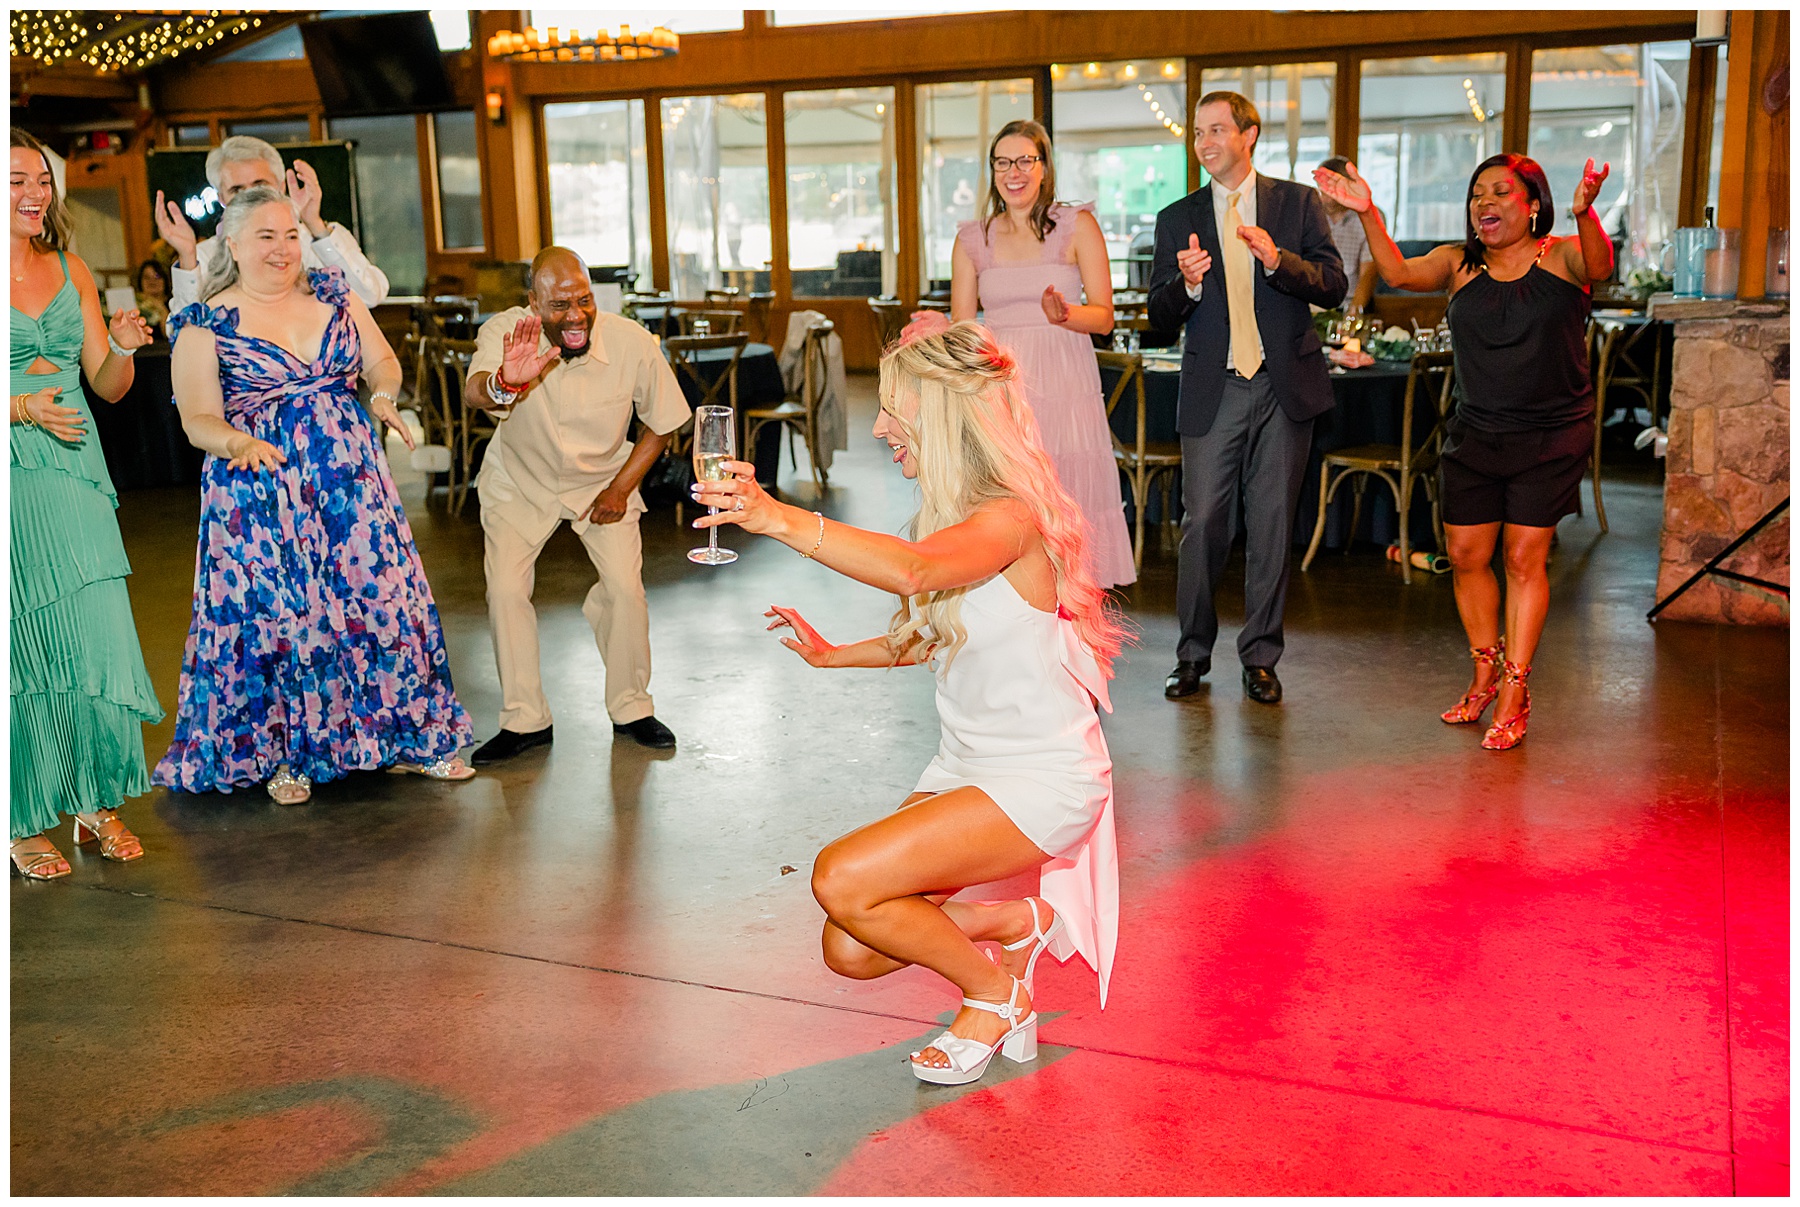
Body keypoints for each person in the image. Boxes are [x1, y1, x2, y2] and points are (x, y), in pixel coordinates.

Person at [693, 316, 1121, 1085]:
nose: (880, 426)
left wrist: (775, 516)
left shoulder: (1011, 518)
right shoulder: (951, 516)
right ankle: (1016, 923)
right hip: (967, 766)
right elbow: (933, 633)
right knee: (851, 945)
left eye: (895, 407)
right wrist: (835, 654)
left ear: (947, 410)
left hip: (1042, 776)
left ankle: (994, 995)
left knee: (840, 877)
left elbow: (916, 572)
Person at [156, 187, 474, 802]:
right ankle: (287, 756)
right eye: (266, 237)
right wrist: (237, 442)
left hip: (349, 480)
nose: (282, 248)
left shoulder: (333, 294)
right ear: (232, 245)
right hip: (260, 491)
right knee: (282, 617)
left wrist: (384, 395)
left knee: (380, 597)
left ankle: (412, 737)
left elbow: (382, 362)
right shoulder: (204, 323)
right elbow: (197, 418)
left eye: (289, 235)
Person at [1314, 153, 1614, 750]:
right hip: (1476, 430)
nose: (1485, 203)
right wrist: (1368, 211)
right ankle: (1484, 671)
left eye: (1501, 192)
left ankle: (1515, 689)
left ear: (1534, 204)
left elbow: (1599, 265)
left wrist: (1586, 213)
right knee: (1466, 555)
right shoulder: (1458, 263)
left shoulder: (1560, 255)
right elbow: (1398, 272)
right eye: (1478, 194)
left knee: (1523, 559)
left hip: (1550, 434)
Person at [1148, 92, 1346, 705]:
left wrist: (1279, 261)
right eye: (1197, 133)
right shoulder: (1176, 216)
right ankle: (1191, 654)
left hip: (1284, 387)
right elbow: (1158, 316)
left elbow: (1333, 285)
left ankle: (1261, 657)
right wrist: (1185, 285)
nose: (1204, 143)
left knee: (1271, 525)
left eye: (1216, 130)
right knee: (1203, 522)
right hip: (1215, 386)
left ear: (1248, 134)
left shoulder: (1298, 203)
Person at [462, 246, 691, 759]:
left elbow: (663, 422)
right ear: (533, 303)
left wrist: (621, 488)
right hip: (520, 479)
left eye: (584, 300)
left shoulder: (631, 342)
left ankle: (632, 707)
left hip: (603, 480)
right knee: (505, 590)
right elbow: (475, 393)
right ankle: (525, 720)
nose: (576, 315)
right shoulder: (506, 331)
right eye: (560, 305)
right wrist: (505, 381)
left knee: (625, 590)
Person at [9, 128, 163, 878]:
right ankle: (21, 816)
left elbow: (107, 384)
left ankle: (94, 798)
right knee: (23, 646)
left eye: (41, 180)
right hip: (13, 475)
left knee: (93, 635)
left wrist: (124, 346)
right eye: (16, 180)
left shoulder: (71, 268)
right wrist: (19, 408)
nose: (35, 193)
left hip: (76, 469)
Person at [951, 119, 1135, 588]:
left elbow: (1105, 317)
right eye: (1002, 162)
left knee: (1066, 490)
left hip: (1065, 380)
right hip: (1002, 389)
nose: (1013, 172)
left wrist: (1065, 314)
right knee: (1012, 497)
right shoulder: (973, 239)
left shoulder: (1077, 226)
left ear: (1044, 168)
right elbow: (962, 329)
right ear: (992, 171)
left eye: (1024, 161)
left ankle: (1076, 607)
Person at [154, 135, 389, 316]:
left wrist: (315, 224)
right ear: (222, 198)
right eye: (237, 190)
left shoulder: (313, 237)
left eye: (260, 186)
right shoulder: (202, 256)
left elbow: (369, 296)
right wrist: (187, 257)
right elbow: (182, 335)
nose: (250, 199)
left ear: (281, 186)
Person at [1316, 155, 1378, 315]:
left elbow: (1369, 273)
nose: (1324, 196)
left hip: (1351, 304)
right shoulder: (1312, 214)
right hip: (1315, 307)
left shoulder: (1366, 217)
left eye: (1329, 190)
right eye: (1321, 188)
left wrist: (1353, 314)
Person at [134, 257, 172, 331]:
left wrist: (160, 308)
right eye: (147, 277)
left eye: (157, 276)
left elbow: (171, 333)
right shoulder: (136, 304)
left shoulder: (173, 303)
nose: (152, 281)